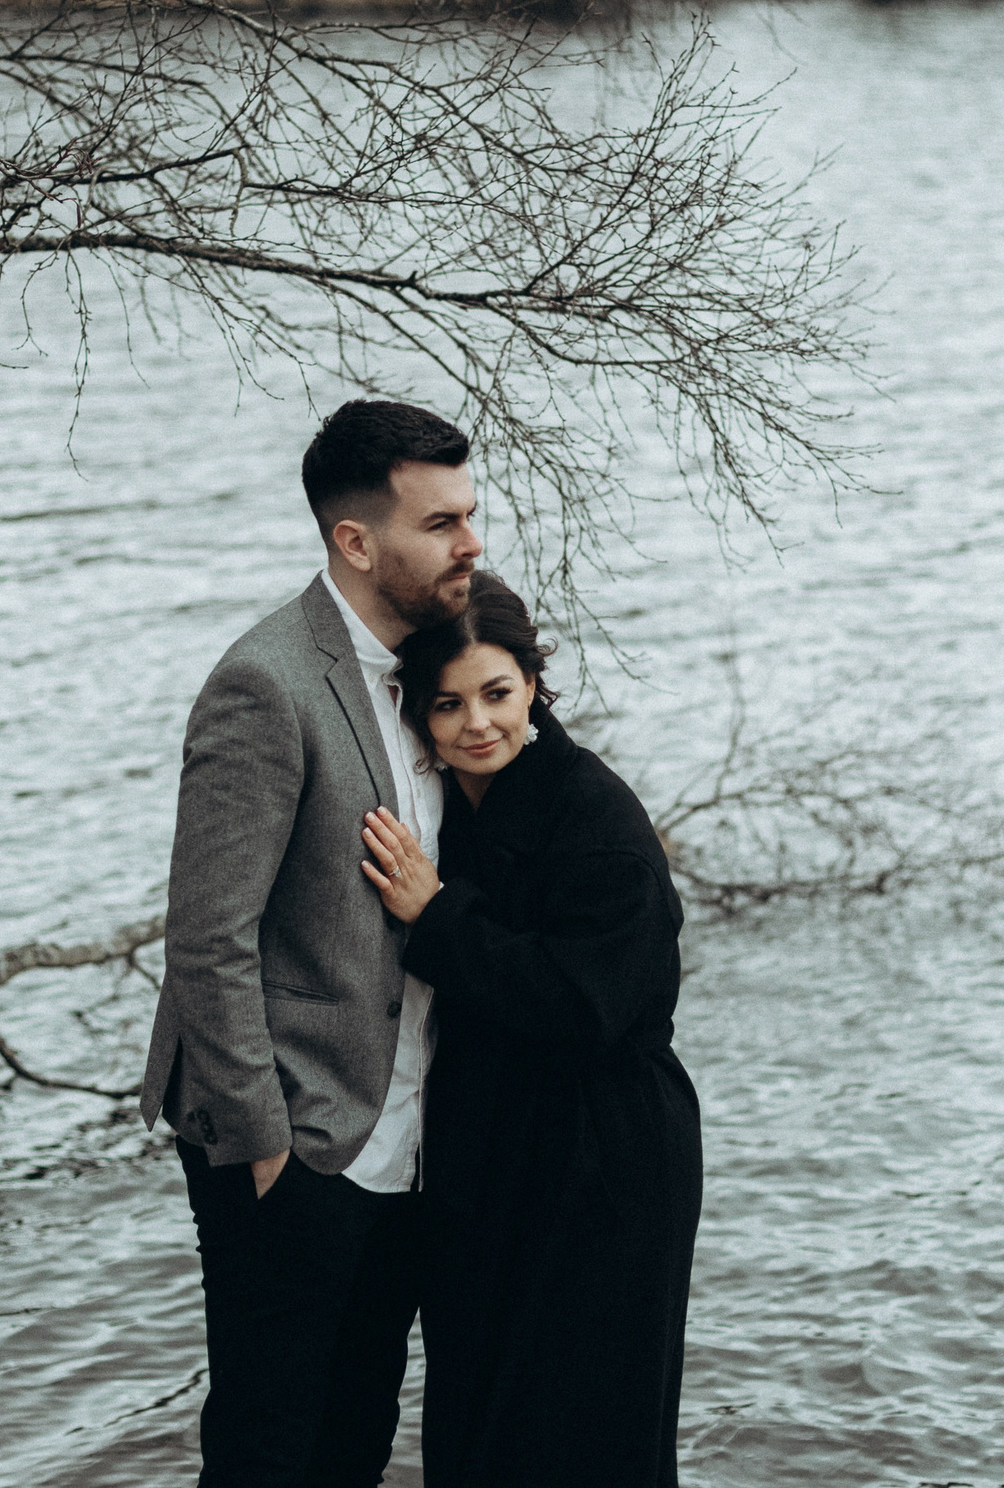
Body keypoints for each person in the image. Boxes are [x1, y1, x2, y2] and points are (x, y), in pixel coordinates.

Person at [137, 399, 481, 1486]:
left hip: (409, 1141)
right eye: (441, 524)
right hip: (294, 1144)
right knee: (268, 1448)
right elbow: (205, 940)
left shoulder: (448, 672)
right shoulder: (267, 685)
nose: (470, 542)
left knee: (358, 1437)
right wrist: (265, 1147)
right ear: (355, 540)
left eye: (470, 516)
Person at [358, 572, 704, 1488]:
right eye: (448, 703)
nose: (478, 722)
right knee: (484, 1425)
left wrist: (437, 922)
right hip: (500, 1161)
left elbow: (589, 1003)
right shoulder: (454, 812)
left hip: (605, 1165)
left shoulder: (596, 820)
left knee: (586, 1434)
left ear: (534, 687)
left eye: (498, 693)